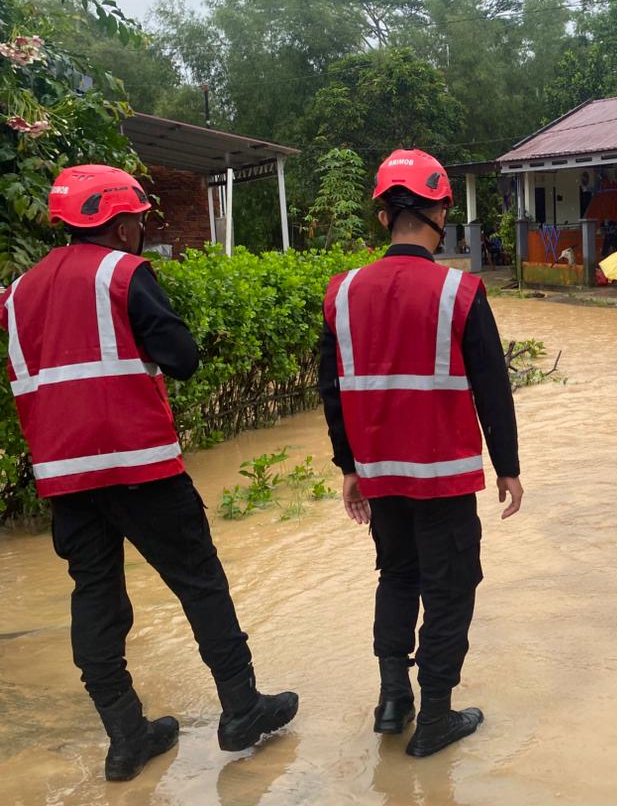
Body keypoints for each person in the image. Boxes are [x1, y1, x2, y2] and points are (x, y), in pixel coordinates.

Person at [0, 165, 298, 782]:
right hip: (139, 464)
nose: (140, 227)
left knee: (97, 600)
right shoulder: (124, 275)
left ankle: (125, 735)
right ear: (115, 221)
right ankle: (241, 709)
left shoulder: (16, 292)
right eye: (136, 217)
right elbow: (183, 359)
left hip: (65, 479)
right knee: (200, 582)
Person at [318, 148, 523, 759]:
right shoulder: (459, 290)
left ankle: (391, 701)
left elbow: (331, 387)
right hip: (444, 476)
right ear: (440, 212)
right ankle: (435, 716)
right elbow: (492, 383)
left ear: (383, 217)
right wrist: (507, 465)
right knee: (452, 587)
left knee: (398, 576)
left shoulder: (343, 291)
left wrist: (348, 467)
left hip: (379, 476)